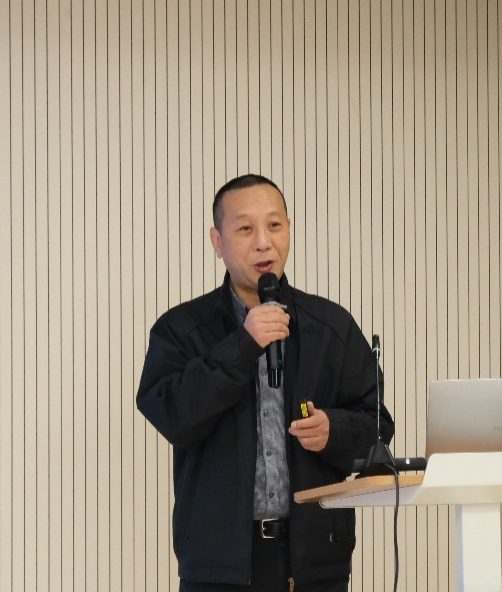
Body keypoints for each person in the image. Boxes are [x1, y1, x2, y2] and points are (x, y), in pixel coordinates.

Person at [136, 174, 394, 592]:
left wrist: (335, 431)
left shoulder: (331, 326)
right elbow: (173, 416)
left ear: (289, 229)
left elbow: (377, 426)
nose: (263, 242)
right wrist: (243, 345)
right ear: (217, 241)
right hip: (219, 567)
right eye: (244, 228)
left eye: (274, 225)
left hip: (316, 564)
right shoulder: (181, 329)